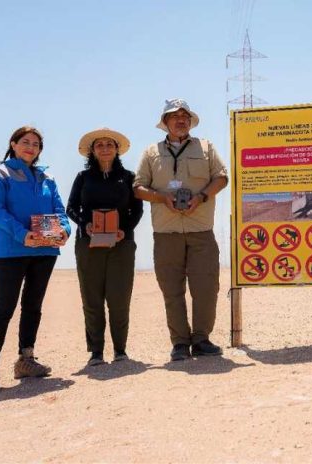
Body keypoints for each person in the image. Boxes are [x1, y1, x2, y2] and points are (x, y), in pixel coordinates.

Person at [134, 99, 228, 361]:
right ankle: (179, 343)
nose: (181, 120)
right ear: (165, 122)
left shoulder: (206, 147)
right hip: (166, 232)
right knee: (172, 289)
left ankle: (201, 339)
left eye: (185, 116)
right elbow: (138, 188)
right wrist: (163, 198)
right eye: (174, 116)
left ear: (191, 121)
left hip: (201, 230)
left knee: (206, 287)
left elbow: (221, 177)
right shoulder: (151, 152)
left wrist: (202, 197)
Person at [0, 126, 71, 395]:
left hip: (45, 252)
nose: (31, 147)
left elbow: (59, 210)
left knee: (33, 305)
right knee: (4, 307)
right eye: (25, 142)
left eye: (36, 144)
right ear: (13, 144)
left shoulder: (46, 177)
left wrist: (65, 230)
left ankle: (26, 360)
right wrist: (23, 235)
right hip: (12, 250)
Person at [67, 128, 143, 366]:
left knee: (119, 297)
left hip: (122, 244)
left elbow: (137, 209)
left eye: (109, 144)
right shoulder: (83, 177)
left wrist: (125, 229)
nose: (105, 148)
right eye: (99, 145)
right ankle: (96, 352)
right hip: (88, 245)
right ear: (92, 150)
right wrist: (85, 224)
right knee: (92, 298)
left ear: (117, 148)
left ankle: (120, 350)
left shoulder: (129, 177)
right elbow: (71, 207)